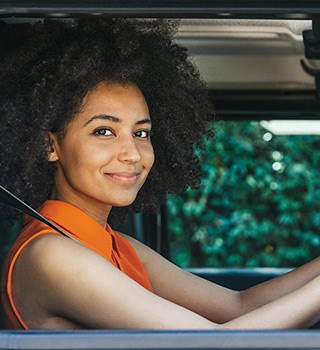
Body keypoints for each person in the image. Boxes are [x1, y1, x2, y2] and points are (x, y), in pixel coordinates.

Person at [1, 18, 320, 331]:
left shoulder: (115, 245)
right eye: (104, 131)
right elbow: (218, 343)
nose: (132, 153)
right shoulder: (52, 253)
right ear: (49, 145)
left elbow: (239, 306)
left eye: (141, 133)